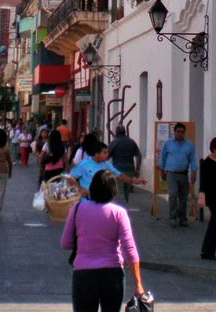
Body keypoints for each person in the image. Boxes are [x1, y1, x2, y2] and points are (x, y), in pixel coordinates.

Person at [61, 169, 144, 312]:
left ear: (92, 187)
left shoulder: (77, 209)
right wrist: (138, 284)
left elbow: (65, 243)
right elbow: (129, 249)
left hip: (83, 274)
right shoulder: (119, 213)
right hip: (112, 274)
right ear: (113, 190)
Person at [69, 142, 144, 198]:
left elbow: (119, 175)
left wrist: (134, 181)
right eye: (104, 152)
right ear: (96, 153)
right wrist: (80, 189)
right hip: (86, 200)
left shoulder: (106, 164)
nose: (107, 154)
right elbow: (70, 179)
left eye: (107, 152)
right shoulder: (83, 164)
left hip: (101, 199)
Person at [158, 122, 197, 227]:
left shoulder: (189, 145)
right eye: (178, 131)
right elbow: (162, 158)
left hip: (184, 174)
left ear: (184, 133)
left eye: (182, 132)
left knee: (184, 197)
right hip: (171, 174)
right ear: (174, 132)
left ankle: (182, 218)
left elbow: (192, 159)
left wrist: (194, 172)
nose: (180, 133)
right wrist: (162, 171)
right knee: (173, 194)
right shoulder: (168, 144)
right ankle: (172, 217)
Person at [107, 125, 141, 204]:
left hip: (118, 170)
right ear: (125, 132)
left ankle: (120, 212)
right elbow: (138, 155)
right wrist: (137, 169)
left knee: (119, 192)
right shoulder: (131, 142)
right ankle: (124, 209)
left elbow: (106, 156)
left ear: (116, 133)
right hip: (130, 170)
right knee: (126, 192)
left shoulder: (114, 142)